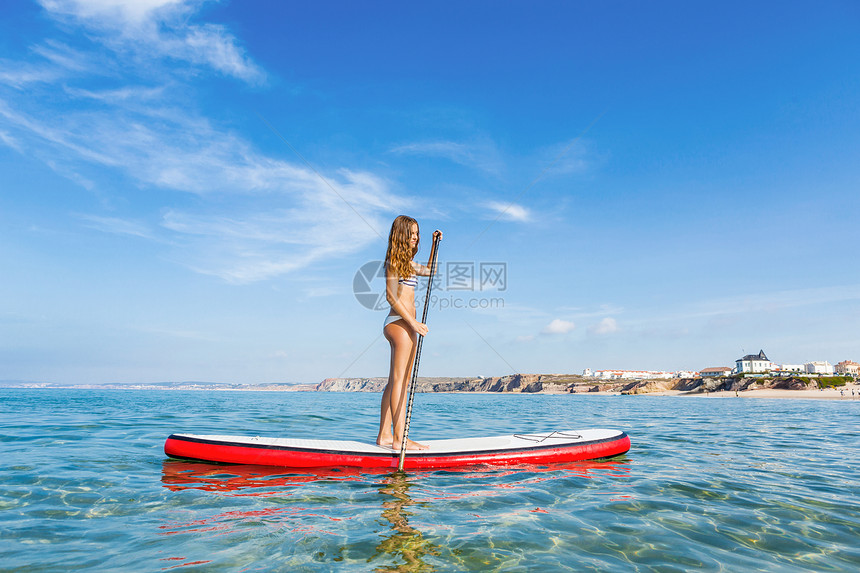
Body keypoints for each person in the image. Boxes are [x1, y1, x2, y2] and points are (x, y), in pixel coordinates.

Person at [376, 215, 441, 451]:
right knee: (400, 383)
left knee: (394, 382)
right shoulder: (393, 261)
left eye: (417, 234)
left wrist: (434, 245)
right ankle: (399, 439)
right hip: (400, 324)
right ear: (402, 235)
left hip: (405, 325)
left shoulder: (408, 264)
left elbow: (431, 271)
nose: (416, 237)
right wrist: (413, 323)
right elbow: (391, 296)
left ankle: (384, 435)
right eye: (412, 233)